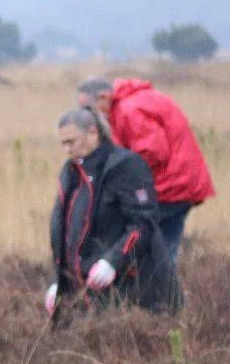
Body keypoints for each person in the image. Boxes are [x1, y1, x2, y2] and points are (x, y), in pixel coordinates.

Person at [47, 107, 177, 322]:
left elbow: (144, 222)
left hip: (129, 288)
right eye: (63, 143)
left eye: (71, 142)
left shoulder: (126, 166)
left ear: (93, 133)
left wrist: (113, 261)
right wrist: (59, 282)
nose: (66, 150)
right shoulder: (70, 172)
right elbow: (65, 231)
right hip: (81, 290)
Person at [78, 77, 213, 259]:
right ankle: (164, 285)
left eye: (88, 108)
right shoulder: (130, 103)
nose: (87, 116)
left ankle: (155, 285)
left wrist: (119, 178)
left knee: (147, 249)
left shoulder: (129, 110)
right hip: (178, 186)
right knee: (163, 249)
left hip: (170, 188)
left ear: (103, 97)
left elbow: (152, 152)